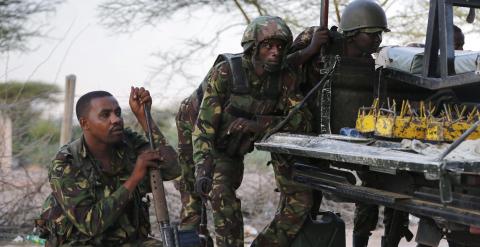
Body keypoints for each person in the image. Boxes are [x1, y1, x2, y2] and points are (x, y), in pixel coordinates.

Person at [270, 1, 402, 247]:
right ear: (352, 34)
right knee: (302, 202)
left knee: (374, 189)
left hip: (347, 136)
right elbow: (277, 68)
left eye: (380, 34)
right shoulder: (321, 40)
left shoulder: (373, 60)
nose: (377, 39)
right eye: (371, 34)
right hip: (303, 133)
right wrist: (311, 49)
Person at [192, 15, 311, 247]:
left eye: (280, 46)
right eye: (268, 46)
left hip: (236, 149)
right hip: (209, 145)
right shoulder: (226, 72)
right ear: (253, 48)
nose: (275, 52)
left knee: (302, 199)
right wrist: (202, 166)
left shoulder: (285, 77)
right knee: (214, 198)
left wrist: (260, 125)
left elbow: (302, 121)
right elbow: (203, 127)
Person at [37, 88, 180, 246]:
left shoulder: (129, 142)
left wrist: (145, 119)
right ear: (85, 123)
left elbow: (172, 169)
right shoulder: (66, 162)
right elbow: (90, 224)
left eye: (117, 113)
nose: (116, 120)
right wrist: (134, 178)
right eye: (105, 115)